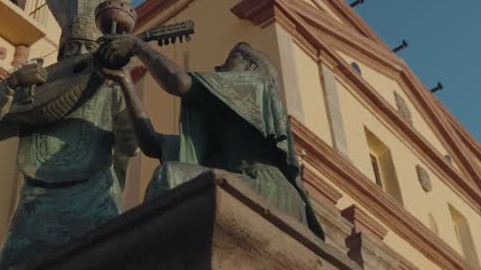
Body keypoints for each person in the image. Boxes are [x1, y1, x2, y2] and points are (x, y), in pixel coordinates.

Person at [0, 0, 137, 270]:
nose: (81, 58)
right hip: (36, 209)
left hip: (95, 201)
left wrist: (123, 81)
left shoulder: (111, 88)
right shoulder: (38, 89)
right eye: (73, 51)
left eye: (88, 50)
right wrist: (12, 83)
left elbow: (129, 144)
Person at [98, 37, 324, 238]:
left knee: (169, 175)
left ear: (250, 66)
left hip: (271, 190)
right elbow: (152, 144)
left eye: (230, 59)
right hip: (241, 180)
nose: (218, 66)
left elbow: (180, 83)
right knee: (171, 176)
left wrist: (138, 45)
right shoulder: (220, 123)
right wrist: (125, 82)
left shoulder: (255, 85)